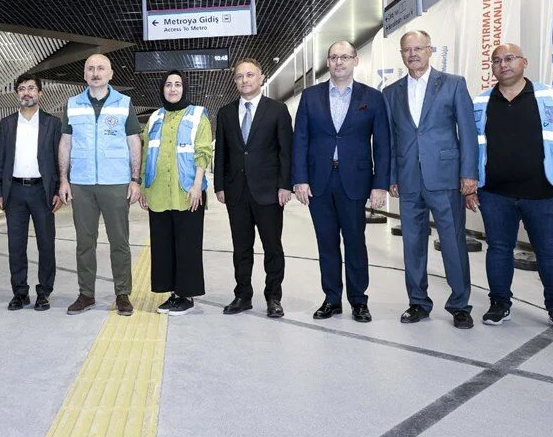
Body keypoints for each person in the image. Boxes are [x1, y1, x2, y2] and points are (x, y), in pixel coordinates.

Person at [466, 43, 553, 333]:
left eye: (509, 58)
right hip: (494, 193)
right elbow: (469, 147)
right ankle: (499, 304)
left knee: (550, 252)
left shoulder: (550, 97)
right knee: (498, 249)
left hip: (543, 193)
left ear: (524, 62)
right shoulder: (480, 102)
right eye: (496, 60)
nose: (503, 64)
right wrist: (470, 185)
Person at [383, 30, 477, 329]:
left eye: (418, 48)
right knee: (412, 244)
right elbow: (390, 140)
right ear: (401, 55)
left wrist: (469, 174)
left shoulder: (453, 84)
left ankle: (460, 305)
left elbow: (468, 133)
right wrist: (392, 176)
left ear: (430, 50)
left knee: (452, 242)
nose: (412, 54)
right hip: (409, 179)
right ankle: (418, 303)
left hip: (446, 177)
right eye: (406, 50)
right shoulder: (391, 92)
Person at [292, 41, 389, 322]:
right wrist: (300, 179)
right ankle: (332, 299)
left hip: (356, 181)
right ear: (328, 62)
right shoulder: (310, 97)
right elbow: (300, 140)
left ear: (355, 61)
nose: (339, 62)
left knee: (355, 241)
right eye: (333, 57)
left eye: (345, 57)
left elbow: (382, 144)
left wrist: (380, 184)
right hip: (319, 183)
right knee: (326, 243)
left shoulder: (372, 97)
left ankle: (359, 301)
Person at [58, 54, 142, 316]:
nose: (95, 73)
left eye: (101, 68)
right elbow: (65, 143)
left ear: (110, 74)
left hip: (115, 182)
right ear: (84, 75)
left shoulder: (124, 103)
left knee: (119, 241)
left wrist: (134, 179)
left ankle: (122, 294)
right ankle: (86, 294)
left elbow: (134, 142)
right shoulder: (72, 104)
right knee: (85, 242)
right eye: (90, 69)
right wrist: (64, 178)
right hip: (82, 183)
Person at [214, 58, 293, 316]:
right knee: (241, 247)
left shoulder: (277, 110)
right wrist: (219, 186)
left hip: (268, 191)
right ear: (235, 81)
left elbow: (285, 152)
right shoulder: (225, 113)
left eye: (250, 75)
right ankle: (243, 295)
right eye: (240, 76)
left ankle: (273, 297)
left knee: (272, 247)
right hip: (236, 192)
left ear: (261, 78)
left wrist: (285, 185)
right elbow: (222, 153)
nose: (245, 80)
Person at [139, 71, 212, 316]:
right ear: (162, 89)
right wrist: (142, 186)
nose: (172, 89)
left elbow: (203, 152)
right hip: (158, 191)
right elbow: (146, 153)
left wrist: (197, 185)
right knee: (163, 245)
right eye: (168, 85)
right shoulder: (155, 118)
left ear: (184, 88)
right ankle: (172, 293)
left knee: (187, 245)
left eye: (177, 84)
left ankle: (186, 295)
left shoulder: (198, 115)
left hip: (187, 192)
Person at [0, 73, 62, 311]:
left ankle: (44, 292)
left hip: (42, 192)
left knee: (46, 244)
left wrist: (58, 189)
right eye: (22, 88)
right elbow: (0, 158)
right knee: (16, 245)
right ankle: (20, 292)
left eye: (31, 88)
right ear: (17, 94)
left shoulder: (52, 123)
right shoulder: (8, 123)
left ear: (40, 92)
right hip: (14, 192)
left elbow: (58, 159)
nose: (27, 93)